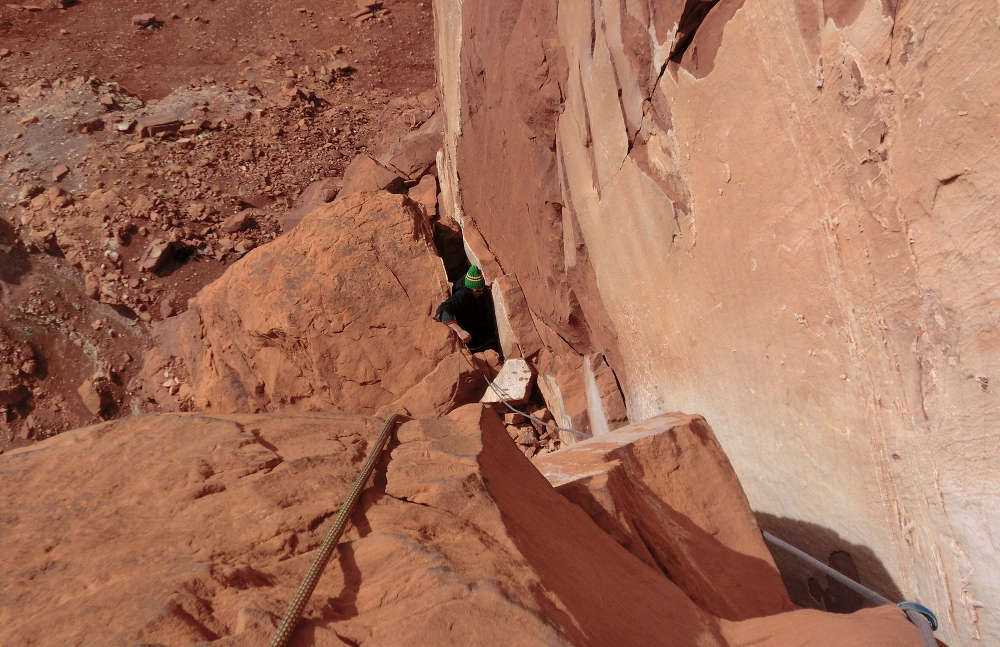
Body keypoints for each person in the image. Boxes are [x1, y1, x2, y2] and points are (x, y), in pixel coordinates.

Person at [435, 265, 498, 352]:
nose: (482, 292)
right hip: (469, 331)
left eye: (482, 289)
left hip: (479, 322)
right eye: (479, 290)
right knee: (492, 345)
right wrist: (459, 331)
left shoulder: (469, 279)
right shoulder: (462, 295)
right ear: (472, 289)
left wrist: (483, 282)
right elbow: (442, 311)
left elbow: (477, 282)